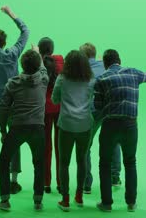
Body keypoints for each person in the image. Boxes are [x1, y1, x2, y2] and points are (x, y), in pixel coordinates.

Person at [94, 49, 146, 212]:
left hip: (110, 126)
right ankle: (131, 203)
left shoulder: (101, 79)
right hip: (130, 126)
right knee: (130, 162)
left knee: (105, 163)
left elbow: (98, 107)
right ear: (119, 61)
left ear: (105, 64)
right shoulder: (134, 73)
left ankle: (106, 203)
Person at [0, 48, 48, 211]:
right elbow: (43, 68)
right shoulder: (44, 80)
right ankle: (38, 200)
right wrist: (38, 53)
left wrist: (3, 130)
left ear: (22, 65)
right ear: (38, 64)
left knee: (4, 161)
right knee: (39, 164)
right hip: (38, 128)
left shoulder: (12, 83)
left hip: (17, 127)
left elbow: (3, 108)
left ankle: (4, 200)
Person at [0, 6, 29, 194]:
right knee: (14, 140)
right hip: (14, 105)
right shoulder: (13, 54)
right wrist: (11, 14)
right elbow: (25, 31)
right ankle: (13, 180)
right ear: (5, 42)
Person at [51, 50, 94, 211]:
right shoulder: (91, 80)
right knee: (81, 160)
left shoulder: (62, 79)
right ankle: (79, 196)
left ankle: (65, 200)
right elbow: (92, 99)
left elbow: (55, 99)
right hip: (85, 125)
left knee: (64, 162)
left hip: (66, 125)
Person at [79, 43, 122, 194]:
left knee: (85, 146)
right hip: (109, 108)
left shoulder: (80, 69)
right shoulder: (105, 66)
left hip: (91, 110)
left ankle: (86, 183)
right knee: (113, 141)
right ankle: (115, 177)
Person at [38, 37, 64, 194]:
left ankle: (46, 183)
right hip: (60, 108)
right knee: (60, 147)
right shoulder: (60, 60)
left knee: (45, 147)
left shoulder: (39, 62)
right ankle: (61, 183)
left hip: (44, 110)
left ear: (40, 50)